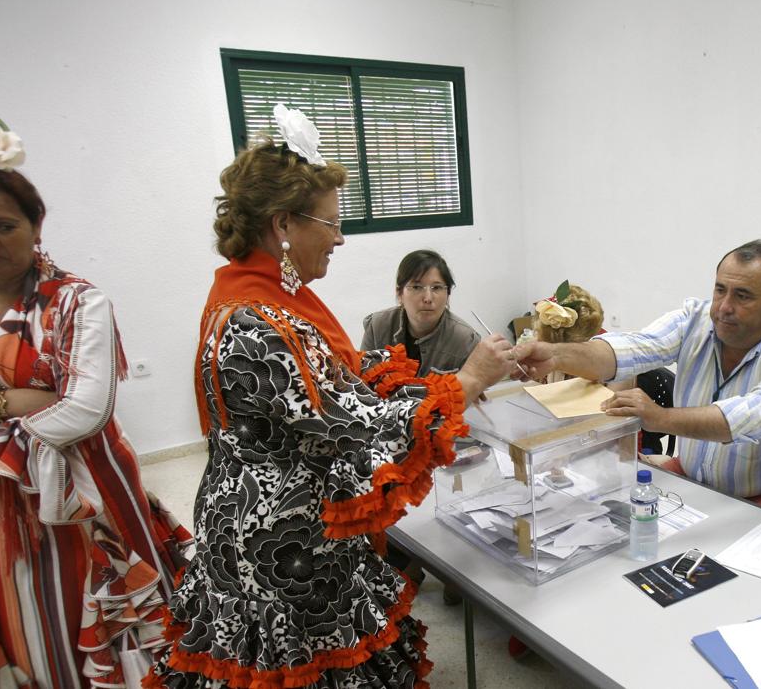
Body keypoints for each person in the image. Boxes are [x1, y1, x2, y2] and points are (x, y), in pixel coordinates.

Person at [147, 105, 524, 686]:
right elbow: (349, 424)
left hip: (284, 526)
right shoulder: (255, 321)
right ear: (283, 225)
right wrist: (465, 382)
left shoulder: (264, 299)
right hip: (277, 548)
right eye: (330, 222)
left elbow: (344, 375)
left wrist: (451, 376)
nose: (341, 237)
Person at [0, 105, 191, 684]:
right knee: (23, 626)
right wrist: (27, 399)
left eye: (3, 225)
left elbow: (86, 411)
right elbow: (54, 403)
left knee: (97, 623)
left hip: (80, 499)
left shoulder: (78, 301)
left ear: (36, 226)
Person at [519, 240, 761, 520]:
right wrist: (554, 354)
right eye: (720, 290)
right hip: (693, 476)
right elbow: (631, 348)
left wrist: (660, 418)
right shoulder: (695, 319)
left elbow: (754, 416)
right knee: (626, 527)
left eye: (742, 296)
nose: (724, 307)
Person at [361, 249, 479, 376]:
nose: (428, 298)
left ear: (448, 294)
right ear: (400, 293)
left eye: (437, 288)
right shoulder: (377, 325)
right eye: (417, 287)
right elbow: (361, 381)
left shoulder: (466, 340)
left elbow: (471, 392)